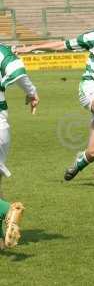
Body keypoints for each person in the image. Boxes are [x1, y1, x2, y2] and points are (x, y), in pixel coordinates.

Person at [16, 0, 94, 180]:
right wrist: (32, 47)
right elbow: (63, 45)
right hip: (90, 87)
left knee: (93, 151)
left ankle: (77, 165)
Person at [0, 42, 39, 249]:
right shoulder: (2, 51)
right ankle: (2, 237)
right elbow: (19, 73)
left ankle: (7, 211)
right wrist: (32, 93)